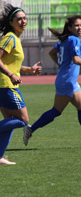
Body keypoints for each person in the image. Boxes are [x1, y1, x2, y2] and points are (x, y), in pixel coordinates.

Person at [0, 4, 42, 165]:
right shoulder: (10, 38)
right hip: (6, 86)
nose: (23, 21)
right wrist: (11, 75)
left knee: (9, 122)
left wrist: (29, 70)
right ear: (11, 22)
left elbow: (13, 65)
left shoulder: (15, 39)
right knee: (24, 120)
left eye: (25, 18)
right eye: (19, 19)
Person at [23, 15, 81, 144]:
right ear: (70, 27)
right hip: (68, 82)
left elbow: (52, 53)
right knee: (56, 111)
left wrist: (60, 64)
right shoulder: (74, 40)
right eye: (76, 25)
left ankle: (31, 129)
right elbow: (76, 60)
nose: (79, 28)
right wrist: (63, 65)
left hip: (67, 80)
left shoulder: (64, 40)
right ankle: (31, 129)